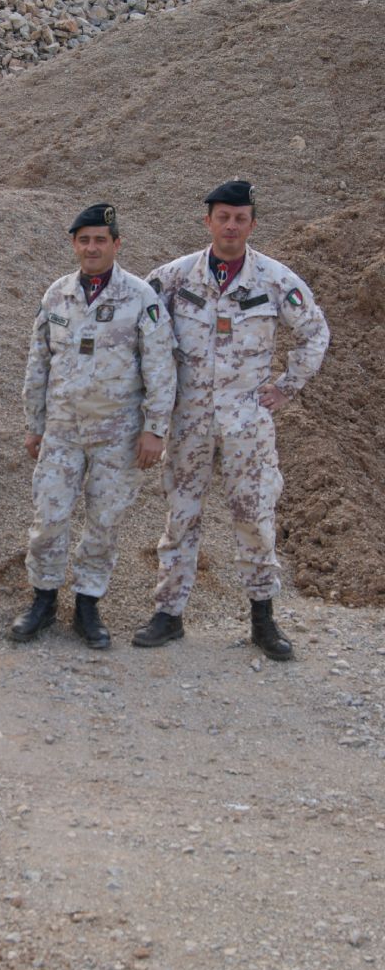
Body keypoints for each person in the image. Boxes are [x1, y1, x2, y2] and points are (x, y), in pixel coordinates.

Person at [133, 178, 330, 661]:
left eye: (240, 218)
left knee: (254, 516)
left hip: (246, 421)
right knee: (181, 517)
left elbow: (314, 332)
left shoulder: (276, 280)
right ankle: (169, 615)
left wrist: (285, 387)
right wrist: (150, 396)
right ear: (208, 222)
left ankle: (263, 619)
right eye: (223, 217)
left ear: (252, 224)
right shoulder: (175, 277)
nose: (231, 226)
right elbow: (140, 327)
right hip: (189, 421)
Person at [12, 203, 177, 649]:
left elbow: (161, 367)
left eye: (100, 240)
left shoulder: (141, 298)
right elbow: (38, 362)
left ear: (116, 244)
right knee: (49, 517)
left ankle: (88, 605)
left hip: (117, 436)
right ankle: (43, 600)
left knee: (104, 523)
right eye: (83, 240)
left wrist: (155, 430)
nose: (91, 247)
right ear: (74, 245)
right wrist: (34, 424)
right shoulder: (57, 295)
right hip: (62, 432)